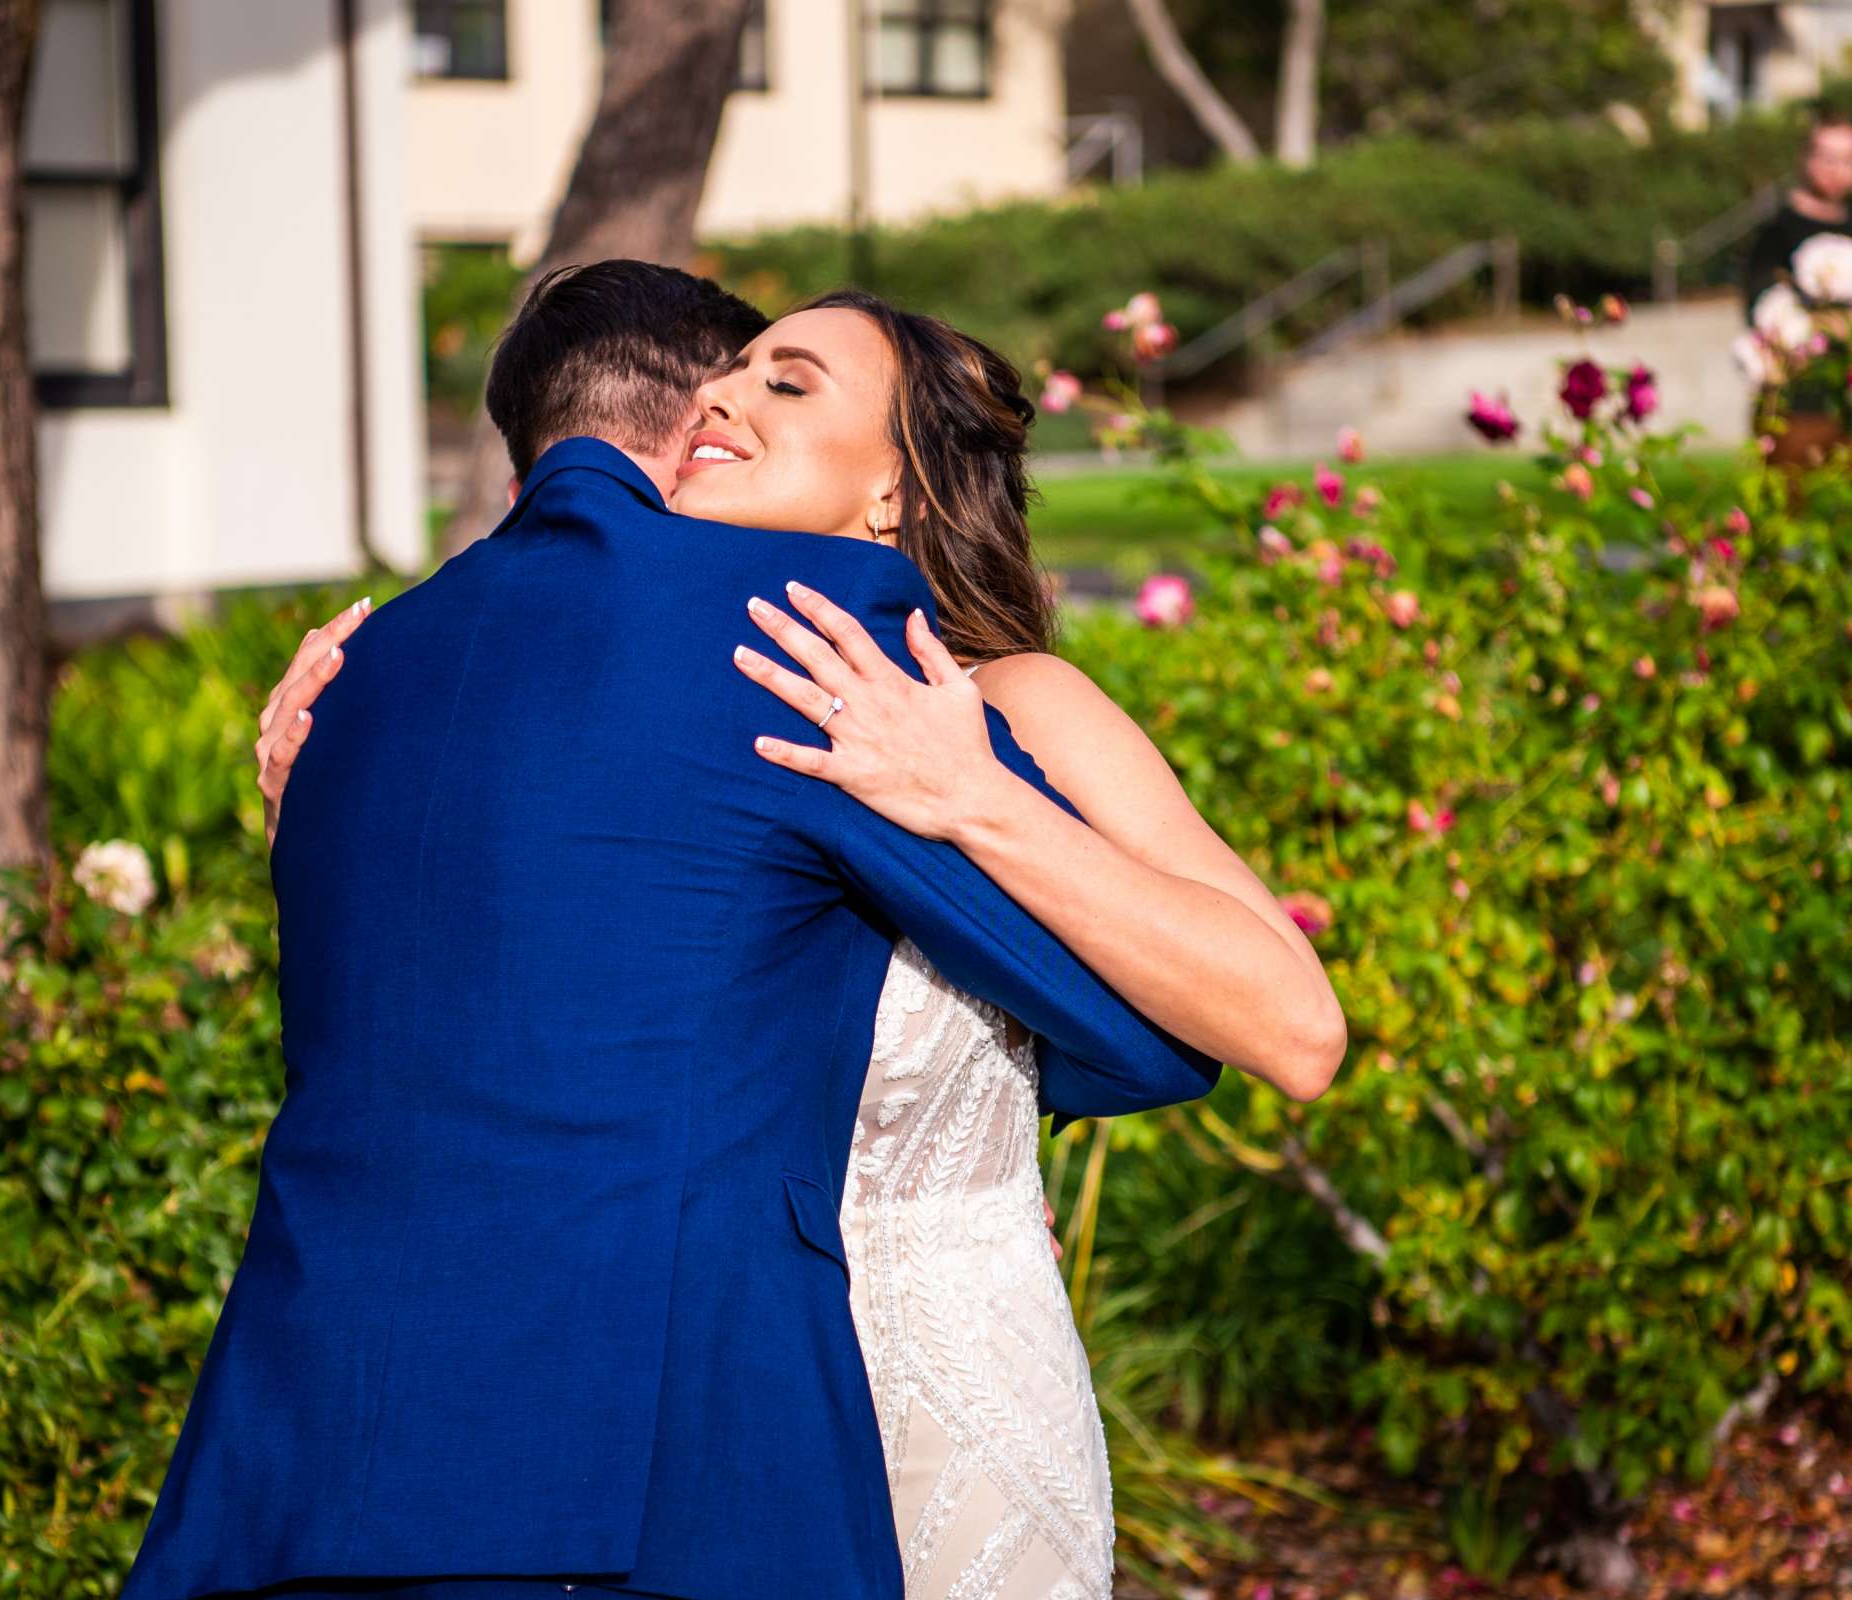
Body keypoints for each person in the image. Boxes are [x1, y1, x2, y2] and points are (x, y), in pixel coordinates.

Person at [240, 266, 1346, 1600]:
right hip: (694, 1412)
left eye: (787, 379)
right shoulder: (697, 697)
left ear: (893, 488)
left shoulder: (1022, 702)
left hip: (940, 1407)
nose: (722, 395)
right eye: (729, 370)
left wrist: (974, 796)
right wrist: (324, 800)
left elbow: (1296, 1027)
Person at [1739, 105, 1852, 321]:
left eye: (1847, 160)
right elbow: (1762, 305)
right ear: (1806, 157)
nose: (1837, 170)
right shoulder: (1777, 229)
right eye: (1828, 158)